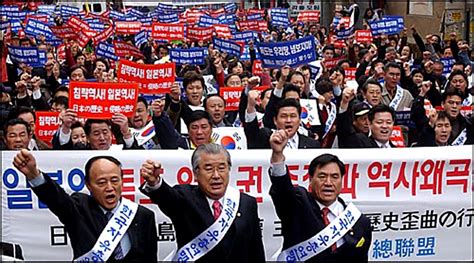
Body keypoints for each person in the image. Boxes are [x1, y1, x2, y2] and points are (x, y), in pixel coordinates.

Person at [12, 150, 157, 261]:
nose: (109, 187)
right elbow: (57, 200)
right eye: (101, 182)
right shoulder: (80, 208)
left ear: (122, 181)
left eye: (114, 180)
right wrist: (34, 175)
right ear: (88, 185)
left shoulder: (143, 215)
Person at [139, 143, 265, 262]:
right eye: (209, 169)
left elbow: (256, 252)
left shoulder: (246, 203)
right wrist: (154, 183)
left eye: (221, 168)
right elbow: (167, 197)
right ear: (195, 173)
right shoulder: (186, 197)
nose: (216, 175)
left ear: (229, 169)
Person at [268, 130, 372, 262]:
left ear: (342, 181)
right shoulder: (299, 204)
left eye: (335, 177)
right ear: (310, 179)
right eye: (322, 176)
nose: (328, 183)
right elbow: (283, 189)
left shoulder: (359, 222)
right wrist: (277, 154)